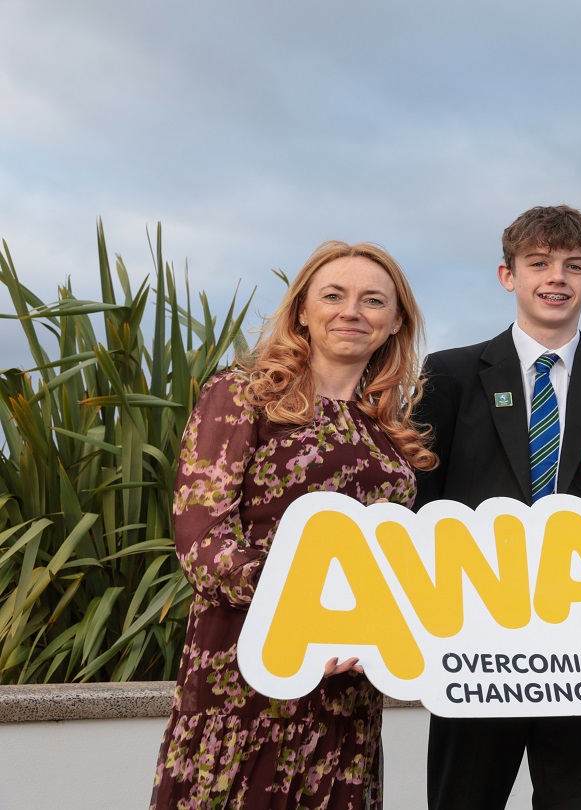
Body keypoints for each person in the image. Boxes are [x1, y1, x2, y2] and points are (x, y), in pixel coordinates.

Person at [150, 241, 435, 809]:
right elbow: (204, 539)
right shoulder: (243, 394)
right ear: (302, 309)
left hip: (347, 687)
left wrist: (378, 625)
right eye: (334, 295)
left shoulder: (391, 431)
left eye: (373, 300)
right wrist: (319, 612)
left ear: (395, 321)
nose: (351, 311)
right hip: (248, 665)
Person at [416, 204, 581, 810]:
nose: (556, 278)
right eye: (539, 263)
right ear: (509, 276)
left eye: (574, 266)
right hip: (475, 629)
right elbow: (422, 502)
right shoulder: (450, 373)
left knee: (577, 799)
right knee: (464, 798)